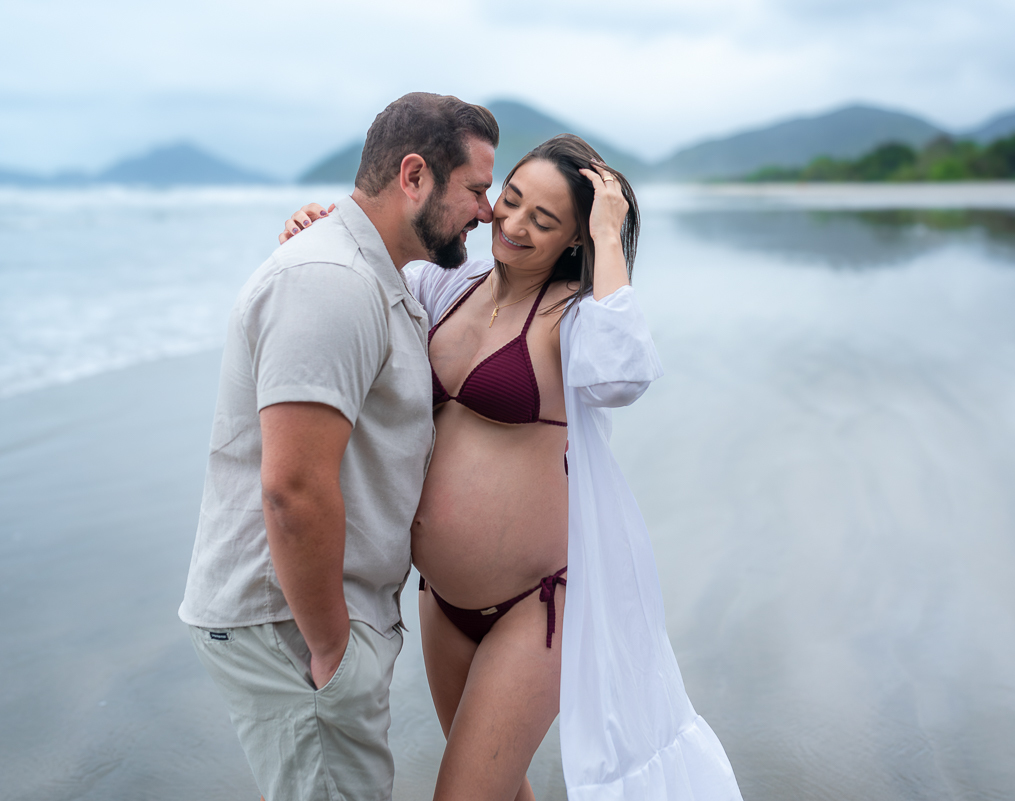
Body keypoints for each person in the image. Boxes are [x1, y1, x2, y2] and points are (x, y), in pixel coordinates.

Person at [281, 134, 743, 800]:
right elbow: (360, 285)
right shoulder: (446, 285)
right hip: (441, 600)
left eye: (544, 220)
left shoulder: (573, 316)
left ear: (574, 238)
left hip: (536, 607)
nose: (515, 223)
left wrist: (609, 234)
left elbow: (623, 374)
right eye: (512, 199)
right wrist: (318, 233)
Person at [178, 92, 499, 801]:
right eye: (476, 189)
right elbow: (293, 487)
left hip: (319, 616)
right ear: (414, 175)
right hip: (295, 624)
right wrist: (332, 648)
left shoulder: (372, 274)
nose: (487, 210)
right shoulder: (331, 281)